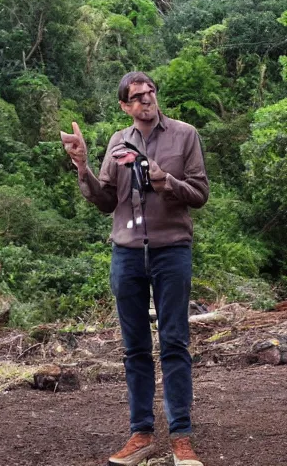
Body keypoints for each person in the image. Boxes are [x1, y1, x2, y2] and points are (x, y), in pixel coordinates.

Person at [61, 72, 209, 466]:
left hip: (171, 249)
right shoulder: (117, 142)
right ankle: (141, 434)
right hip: (126, 254)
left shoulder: (185, 135)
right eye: (138, 97)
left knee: (175, 342)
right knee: (135, 349)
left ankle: (181, 437)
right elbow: (106, 200)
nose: (147, 100)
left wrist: (167, 182)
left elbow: (200, 193)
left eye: (151, 93)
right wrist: (82, 166)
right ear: (125, 106)